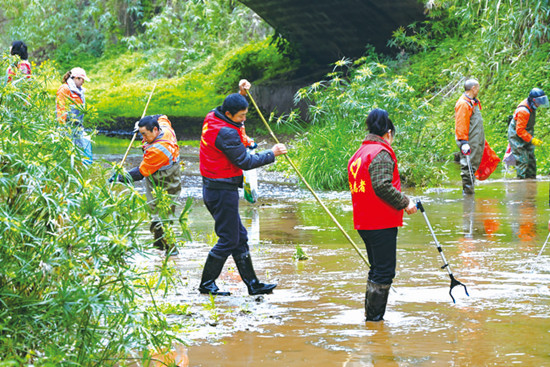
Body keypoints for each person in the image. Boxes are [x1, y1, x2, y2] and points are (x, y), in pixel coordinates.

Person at [198, 79, 287, 296]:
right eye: (241, 116)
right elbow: (245, 162)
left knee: (240, 237)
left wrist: (241, 93)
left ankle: (253, 285)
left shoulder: (214, 115)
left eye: (245, 115)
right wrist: (272, 153)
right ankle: (207, 284)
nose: (244, 119)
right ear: (229, 114)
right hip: (220, 190)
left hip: (217, 187)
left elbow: (234, 110)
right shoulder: (225, 133)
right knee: (229, 239)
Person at [347, 108, 417, 322]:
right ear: (388, 132)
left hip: (364, 221)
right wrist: (406, 202)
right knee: (384, 272)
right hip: (380, 222)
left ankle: (372, 318)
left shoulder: (359, 153)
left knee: (376, 270)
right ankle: (375, 321)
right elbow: (381, 186)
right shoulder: (380, 153)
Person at [112, 114, 182, 257]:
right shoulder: (164, 126)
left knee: (164, 215)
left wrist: (119, 177)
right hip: (154, 174)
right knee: (154, 211)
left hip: (168, 178)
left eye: (144, 134)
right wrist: (139, 124)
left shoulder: (159, 149)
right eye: (140, 134)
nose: (142, 138)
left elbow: (139, 173)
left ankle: (172, 250)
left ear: (155, 130)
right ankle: (159, 245)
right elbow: (161, 116)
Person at [507, 88, 549, 179]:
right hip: (516, 135)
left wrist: (530, 138)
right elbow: (520, 130)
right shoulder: (524, 111)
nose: (539, 104)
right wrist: (532, 139)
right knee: (522, 159)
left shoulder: (532, 106)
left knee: (531, 159)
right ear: (533, 100)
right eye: (538, 102)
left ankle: (531, 180)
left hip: (527, 133)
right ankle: (521, 182)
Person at [56, 67, 92, 164]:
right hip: (67, 128)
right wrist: (62, 128)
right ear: (76, 78)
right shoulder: (65, 89)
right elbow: (61, 109)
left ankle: (80, 171)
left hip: (78, 128)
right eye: (82, 79)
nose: (83, 82)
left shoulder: (80, 91)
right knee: (68, 154)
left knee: (80, 153)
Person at [455, 79, 485, 195]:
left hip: (475, 140)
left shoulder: (472, 102)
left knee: (472, 166)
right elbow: (461, 124)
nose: (478, 90)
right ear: (473, 88)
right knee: (468, 166)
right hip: (468, 141)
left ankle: (469, 192)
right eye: (478, 88)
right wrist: (463, 142)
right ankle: (467, 195)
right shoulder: (463, 103)